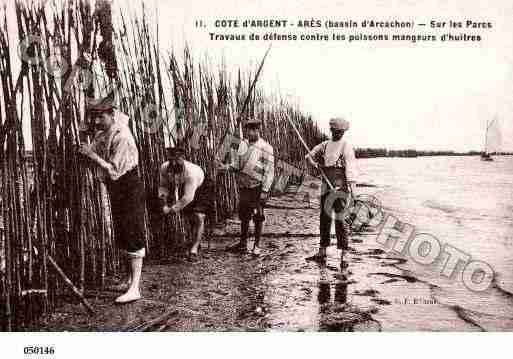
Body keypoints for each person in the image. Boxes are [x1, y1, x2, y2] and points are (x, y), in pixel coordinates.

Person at [78, 93, 146, 304]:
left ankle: (135, 287)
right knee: (122, 233)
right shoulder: (104, 132)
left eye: (101, 117)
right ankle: (128, 280)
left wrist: (92, 156)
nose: (96, 122)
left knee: (132, 232)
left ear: (112, 114)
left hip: (128, 185)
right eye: (94, 117)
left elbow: (115, 170)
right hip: (116, 187)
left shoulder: (122, 136)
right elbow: (94, 146)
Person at [304, 117, 358, 271]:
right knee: (324, 218)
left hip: (340, 188)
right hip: (326, 186)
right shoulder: (325, 145)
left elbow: (351, 169)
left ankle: (344, 254)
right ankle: (322, 251)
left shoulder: (346, 146)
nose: (338, 134)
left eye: (341, 132)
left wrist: (353, 191)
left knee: (341, 220)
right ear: (331, 130)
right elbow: (309, 156)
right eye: (336, 131)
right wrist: (312, 163)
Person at [218, 118, 274, 256]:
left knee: (258, 216)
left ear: (258, 130)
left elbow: (269, 170)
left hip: (258, 186)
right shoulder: (243, 145)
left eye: (252, 130)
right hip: (244, 186)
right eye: (248, 130)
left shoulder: (266, 147)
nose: (250, 133)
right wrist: (225, 168)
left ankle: (257, 245)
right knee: (244, 215)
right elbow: (237, 165)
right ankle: (242, 243)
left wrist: (265, 190)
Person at [158, 147, 212, 261]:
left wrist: (172, 209)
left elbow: (188, 197)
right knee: (188, 215)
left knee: (199, 216)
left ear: (182, 159)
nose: (173, 163)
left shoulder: (190, 173)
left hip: (202, 186)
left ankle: (194, 249)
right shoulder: (164, 168)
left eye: (177, 160)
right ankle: (192, 240)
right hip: (185, 186)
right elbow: (163, 186)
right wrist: (163, 202)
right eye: (171, 160)